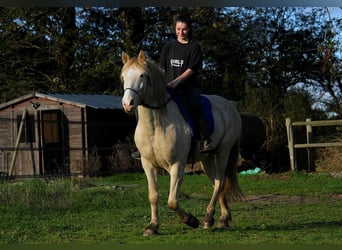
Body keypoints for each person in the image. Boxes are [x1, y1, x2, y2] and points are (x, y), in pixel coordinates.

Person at [131, 14, 214, 160]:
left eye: (184, 29)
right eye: (178, 29)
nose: (181, 32)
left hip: (187, 87)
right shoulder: (169, 46)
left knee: (195, 105)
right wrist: (162, 83)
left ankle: (206, 138)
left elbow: (191, 69)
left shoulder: (194, 47)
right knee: (142, 106)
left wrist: (177, 81)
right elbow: (162, 67)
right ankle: (141, 146)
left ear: (189, 30)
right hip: (167, 87)